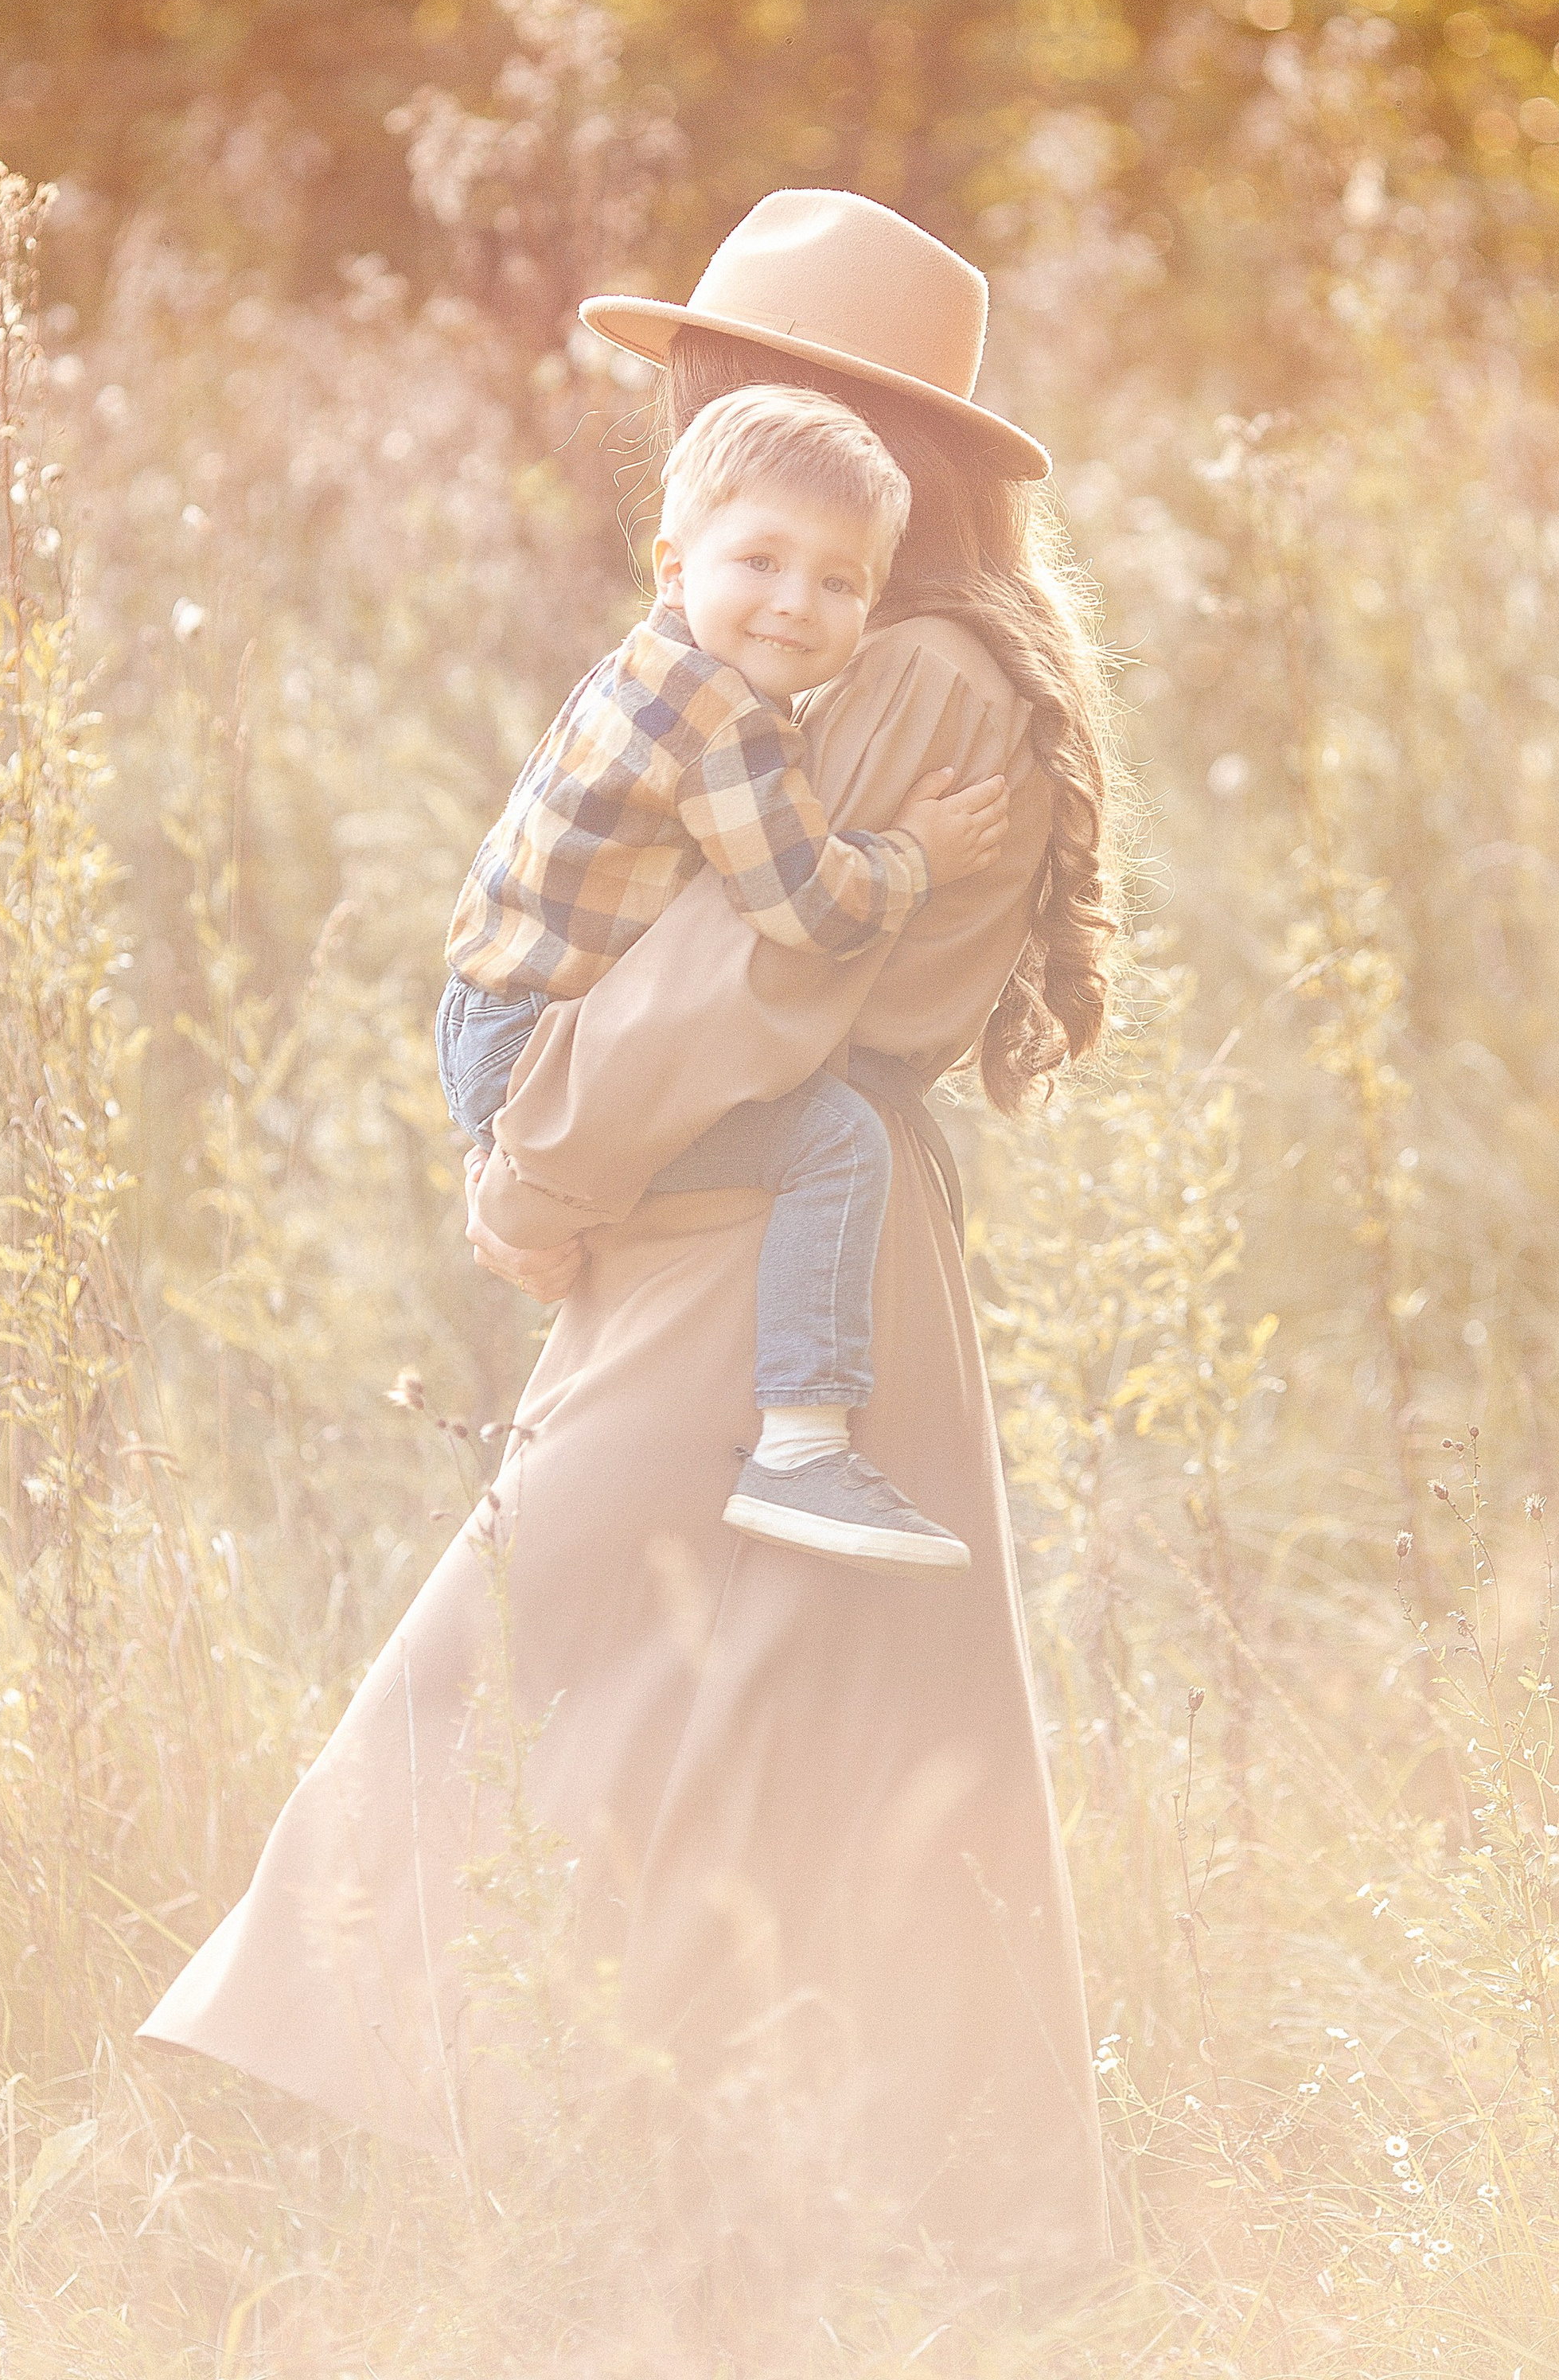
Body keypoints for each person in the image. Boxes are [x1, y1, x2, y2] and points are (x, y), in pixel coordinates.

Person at [141, 188, 1121, 2278]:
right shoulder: (908, 652)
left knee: (498, 1683)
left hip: (744, 1247)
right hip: (787, 1249)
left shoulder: (905, 676)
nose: (700, 413)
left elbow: (716, 987)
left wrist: (538, 1171)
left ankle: (267, 2158)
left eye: (744, 385)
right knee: (805, 1748)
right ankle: (808, 2236)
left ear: (864, 442)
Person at [438, 378, 1011, 1574]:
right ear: (671, 560)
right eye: (761, 561)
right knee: (835, 1143)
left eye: (839, 581)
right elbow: (802, 909)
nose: (797, 603)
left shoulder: (649, 668)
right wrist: (920, 851)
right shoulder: (726, 718)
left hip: (488, 1016)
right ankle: (801, 1442)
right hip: (538, 1041)